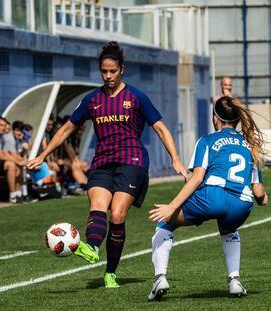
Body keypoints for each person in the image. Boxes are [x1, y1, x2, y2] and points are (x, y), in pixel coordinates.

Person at [27, 41, 187, 288]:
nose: (108, 76)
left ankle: (110, 272)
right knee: (98, 206)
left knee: (117, 214)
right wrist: (42, 153)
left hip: (131, 161)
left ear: (122, 69)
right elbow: (68, 127)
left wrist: (175, 158)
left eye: (113, 71)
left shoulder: (136, 97)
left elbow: (160, 128)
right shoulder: (92, 100)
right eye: (104, 72)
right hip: (102, 162)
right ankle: (91, 247)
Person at [147, 96, 268, 301]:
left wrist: (171, 207)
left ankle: (160, 278)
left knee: (165, 223)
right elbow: (259, 195)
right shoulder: (249, 145)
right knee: (229, 229)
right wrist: (263, 198)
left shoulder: (207, 140)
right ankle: (235, 281)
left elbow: (196, 179)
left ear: (215, 118)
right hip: (242, 203)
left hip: (213, 196)